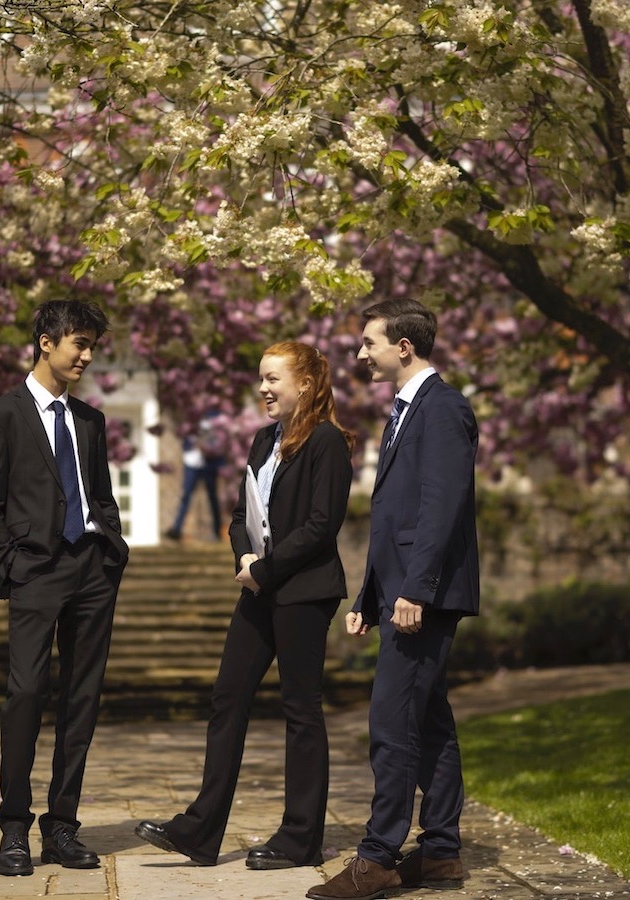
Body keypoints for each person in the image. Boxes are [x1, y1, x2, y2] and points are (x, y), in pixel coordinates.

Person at [135, 341, 355, 869]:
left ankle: (301, 839)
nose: (263, 388)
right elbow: (241, 514)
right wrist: (246, 556)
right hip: (259, 589)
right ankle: (199, 831)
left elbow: (322, 525)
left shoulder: (327, 442)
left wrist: (266, 567)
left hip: (303, 591)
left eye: (273, 378)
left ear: (304, 383)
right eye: (261, 378)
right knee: (227, 698)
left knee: (300, 710)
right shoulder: (263, 440)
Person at [308, 299, 481, 900]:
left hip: (423, 594)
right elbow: (394, 519)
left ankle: (378, 857)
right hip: (402, 590)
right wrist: (370, 593)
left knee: (390, 721)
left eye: (368, 343)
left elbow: (442, 507)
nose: (360, 355)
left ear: (402, 347)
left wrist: (415, 590)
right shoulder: (404, 413)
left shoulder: (444, 408)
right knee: (429, 720)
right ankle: (439, 853)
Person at [0, 299, 130, 876]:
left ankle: (62, 827)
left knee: (82, 698)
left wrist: (112, 545)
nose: (86, 355)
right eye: (78, 344)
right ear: (45, 341)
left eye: (91, 346)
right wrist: (13, 565)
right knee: (27, 693)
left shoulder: (90, 420)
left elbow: (101, 492)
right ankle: (13, 827)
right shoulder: (1, 415)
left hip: (93, 568)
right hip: (35, 570)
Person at [164, 408, 229, 540]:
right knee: (186, 496)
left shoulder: (214, 416)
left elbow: (217, 440)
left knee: (212, 497)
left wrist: (206, 445)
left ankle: (217, 531)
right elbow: (185, 437)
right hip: (192, 462)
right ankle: (177, 529)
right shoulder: (189, 417)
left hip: (208, 463)